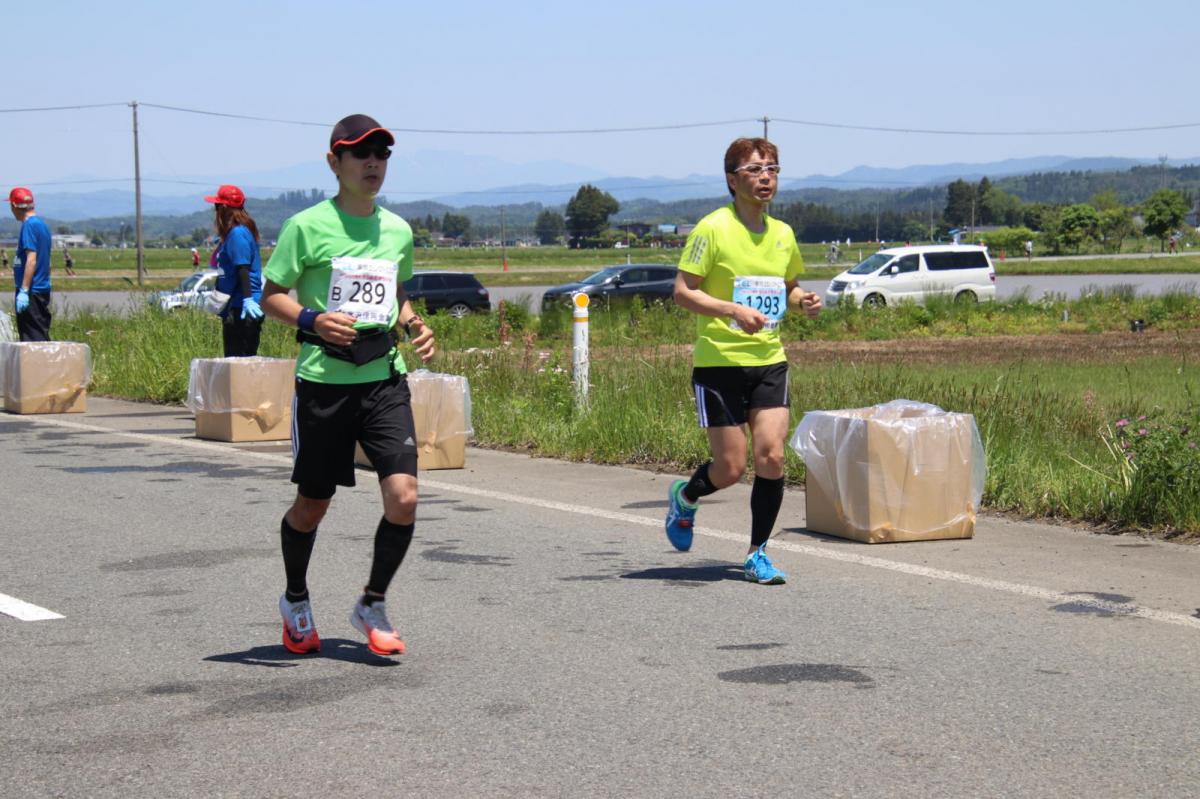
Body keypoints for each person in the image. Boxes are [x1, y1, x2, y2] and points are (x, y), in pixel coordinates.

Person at [261, 113, 435, 657]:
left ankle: (372, 601)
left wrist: (413, 323)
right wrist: (311, 320)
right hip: (325, 385)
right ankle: (295, 598)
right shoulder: (307, 226)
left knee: (404, 497)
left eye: (382, 154)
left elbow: (395, 295)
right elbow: (272, 295)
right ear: (334, 161)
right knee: (313, 505)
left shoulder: (398, 230)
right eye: (361, 154)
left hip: (384, 379)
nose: (373, 163)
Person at [665, 137, 822, 585]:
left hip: (770, 360)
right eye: (755, 170)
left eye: (772, 168)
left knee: (771, 457)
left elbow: (787, 285)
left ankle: (757, 554)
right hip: (719, 364)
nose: (766, 177)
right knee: (731, 469)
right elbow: (683, 291)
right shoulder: (712, 229)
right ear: (732, 179)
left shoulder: (783, 234)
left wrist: (802, 300)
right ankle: (687, 495)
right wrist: (733, 310)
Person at [204, 185, 264, 357]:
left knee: (239, 363)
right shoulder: (233, 234)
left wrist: (247, 299)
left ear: (223, 208)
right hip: (235, 305)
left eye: (216, 206)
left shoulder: (238, 234)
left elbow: (242, 269)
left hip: (242, 308)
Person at [9, 187, 53, 341]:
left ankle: (39, 366)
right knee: (39, 334)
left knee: (33, 341)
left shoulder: (28, 226)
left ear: (14, 206)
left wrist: (24, 290)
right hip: (41, 288)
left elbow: (32, 259)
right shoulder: (42, 225)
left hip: (32, 292)